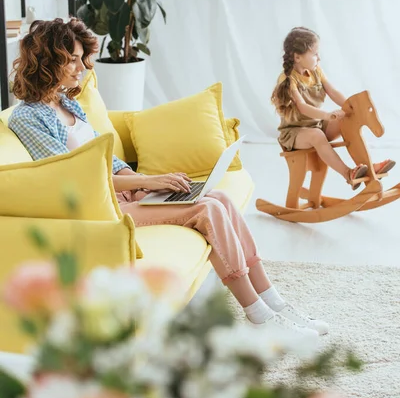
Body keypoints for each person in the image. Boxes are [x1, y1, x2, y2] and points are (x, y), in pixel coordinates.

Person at [9, 18, 327, 340]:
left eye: (82, 58)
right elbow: (74, 178)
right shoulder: (28, 116)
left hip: (121, 196)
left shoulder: (67, 102)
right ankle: (259, 315)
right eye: (72, 60)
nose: (82, 68)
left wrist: (140, 180)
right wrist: (147, 184)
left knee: (220, 199)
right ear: (48, 61)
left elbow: (105, 159)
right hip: (100, 210)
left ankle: (275, 302)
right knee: (206, 210)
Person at [271, 27, 395, 189]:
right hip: (295, 133)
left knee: (347, 121)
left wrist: (351, 108)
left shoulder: (316, 72)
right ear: (297, 57)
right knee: (317, 135)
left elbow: (333, 92)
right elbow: (302, 107)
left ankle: (368, 166)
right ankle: (347, 173)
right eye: (315, 54)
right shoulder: (288, 79)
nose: (319, 57)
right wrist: (327, 116)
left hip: (316, 125)